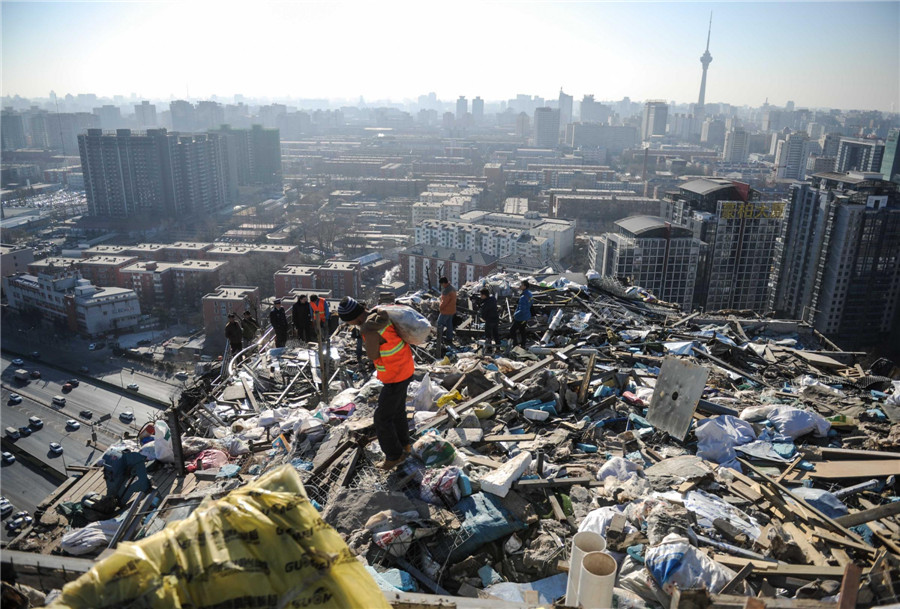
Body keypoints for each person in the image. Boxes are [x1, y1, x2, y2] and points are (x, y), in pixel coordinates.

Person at [338, 296, 414, 470]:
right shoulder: (379, 314)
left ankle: (394, 456)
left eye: (349, 321)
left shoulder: (369, 328)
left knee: (381, 418)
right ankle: (405, 445)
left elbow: (373, 355)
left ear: (354, 317)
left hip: (394, 375)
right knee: (397, 411)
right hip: (405, 368)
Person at [509, 280, 533, 349]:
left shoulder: (523, 297)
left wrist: (515, 315)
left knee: (512, 330)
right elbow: (531, 303)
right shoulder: (530, 294)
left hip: (520, 317)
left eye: (521, 285)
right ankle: (523, 345)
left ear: (525, 286)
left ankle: (515, 344)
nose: (520, 286)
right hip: (526, 316)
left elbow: (521, 310)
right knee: (522, 331)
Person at [478, 287, 500, 353]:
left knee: (488, 335)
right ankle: (498, 348)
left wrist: (482, 317)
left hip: (489, 320)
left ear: (484, 295)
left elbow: (483, 314)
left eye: (481, 295)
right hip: (495, 319)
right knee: (496, 334)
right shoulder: (493, 299)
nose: (480, 296)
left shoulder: (485, 304)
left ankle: (489, 349)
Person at [436, 276, 457, 344]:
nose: (441, 286)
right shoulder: (452, 288)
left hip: (446, 310)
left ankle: (439, 339)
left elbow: (444, 302)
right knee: (449, 324)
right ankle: (449, 339)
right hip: (452, 310)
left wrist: (440, 307)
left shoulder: (446, 290)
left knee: (439, 323)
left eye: (441, 284)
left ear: (444, 283)